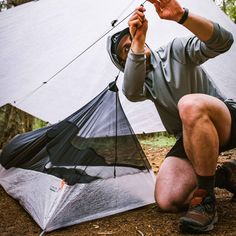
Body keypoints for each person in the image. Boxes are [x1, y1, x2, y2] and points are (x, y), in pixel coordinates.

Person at [107, 0, 236, 233]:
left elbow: (224, 41)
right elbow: (131, 92)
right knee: (167, 199)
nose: (136, 43)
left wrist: (181, 16)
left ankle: (205, 199)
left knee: (189, 104)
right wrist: (137, 41)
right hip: (190, 138)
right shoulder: (138, 85)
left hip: (226, 119)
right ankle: (225, 175)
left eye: (135, 38)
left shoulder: (174, 51)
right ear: (124, 65)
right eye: (127, 49)